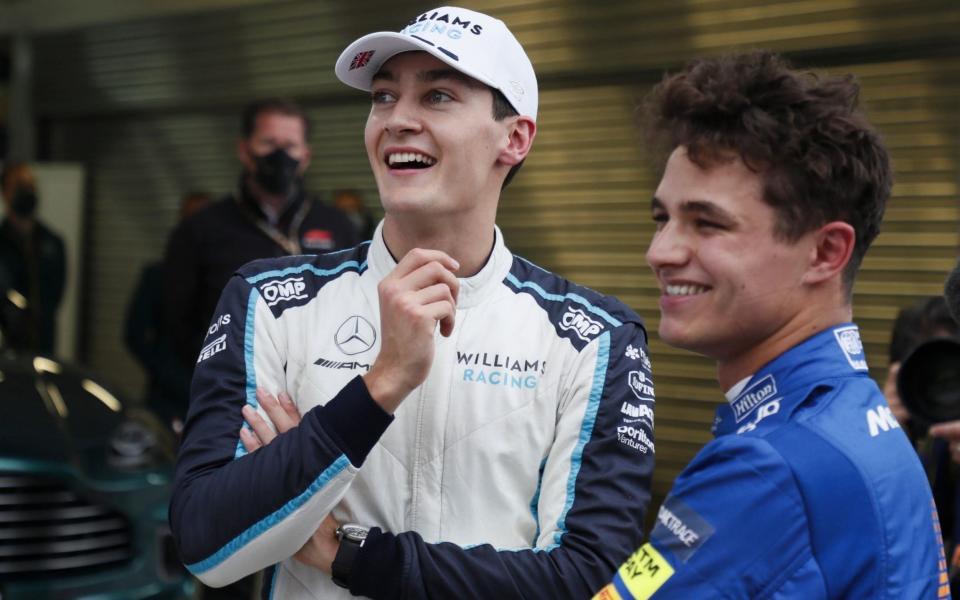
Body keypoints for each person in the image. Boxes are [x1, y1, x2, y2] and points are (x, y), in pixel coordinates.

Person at [170, 6, 655, 599]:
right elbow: (205, 546)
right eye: (382, 97)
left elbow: (588, 580)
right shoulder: (271, 300)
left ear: (515, 137)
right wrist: (379, 386)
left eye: (438, 96)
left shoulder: (594, 339)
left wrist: (357, 556)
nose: (397, 119)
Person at [594, 51, 947, 599]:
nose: (659, 251)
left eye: (707, 223)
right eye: (662, 218)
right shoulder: (860, 412)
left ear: (826, 252)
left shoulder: (768, 466)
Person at [162, 98, 360, 371]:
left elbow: (356, 308)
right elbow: (174, 324)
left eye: (290, 146)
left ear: (305, 157)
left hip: (320, 389)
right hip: (232, 389)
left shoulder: (338, 226)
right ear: (244, 150)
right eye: (268, 143)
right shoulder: (200, 230)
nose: (279, 156)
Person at [125, 192, 211, 434]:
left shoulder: (229, 278)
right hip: (167, 397)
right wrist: (164, 371)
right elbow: (134, 334)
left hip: (213, 393)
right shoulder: (158, 275)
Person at [0, 162, 66, 355]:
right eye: (20, 187)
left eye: (30, 187)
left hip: (44, 346)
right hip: (8, 349)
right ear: (5, 193)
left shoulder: (52, 243)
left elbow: (56, 294)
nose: (27, 193)